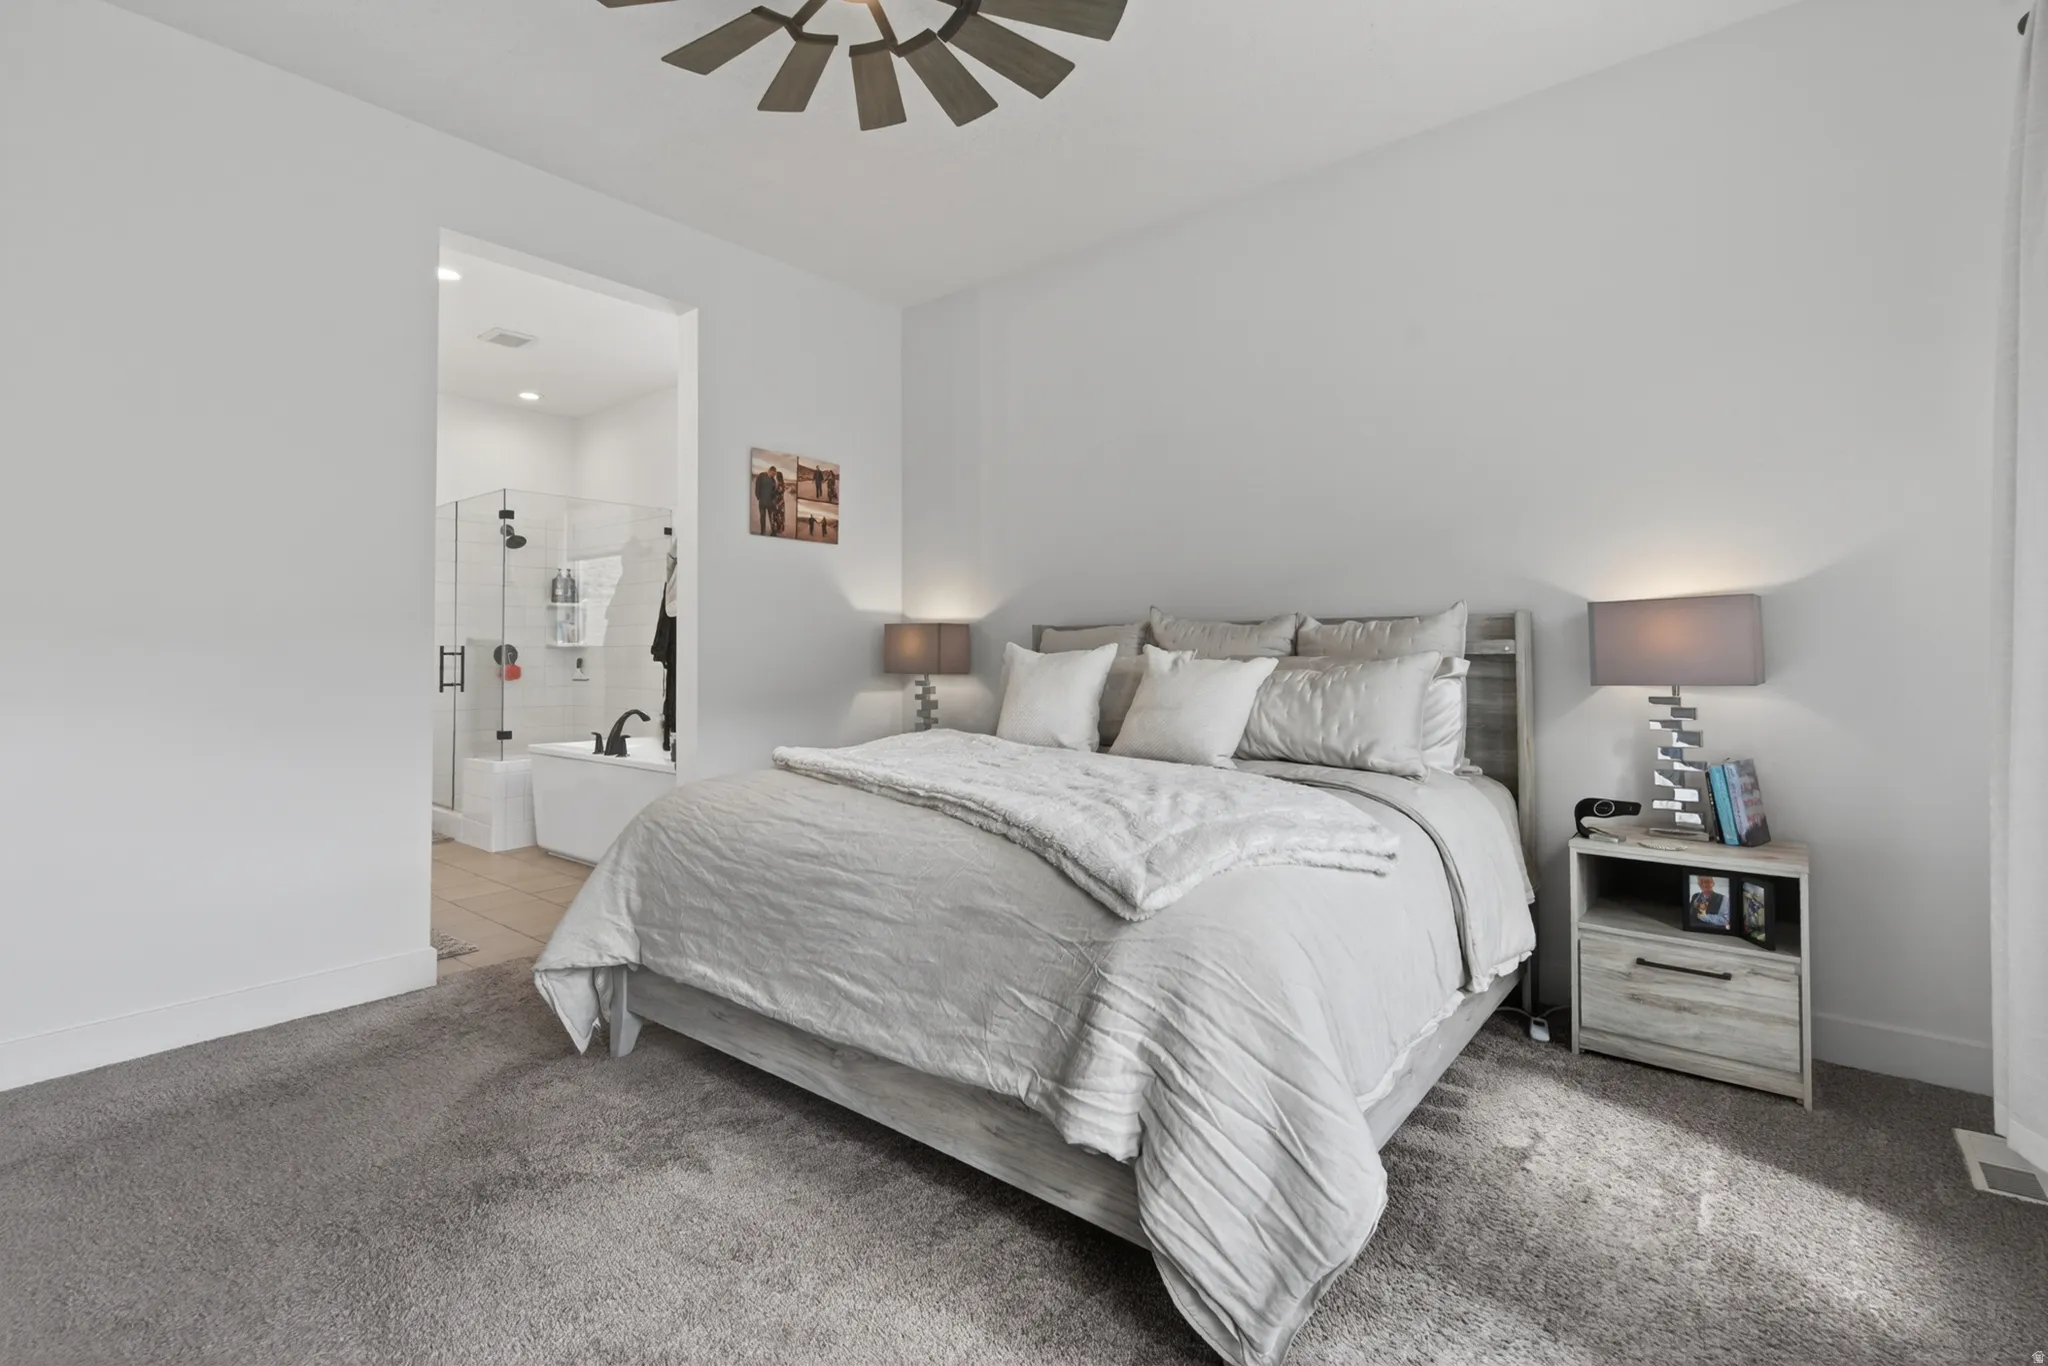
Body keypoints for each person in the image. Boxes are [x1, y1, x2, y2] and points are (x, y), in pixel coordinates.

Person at [752, 465, 779, 535]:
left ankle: (773, 531)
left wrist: (774, 497)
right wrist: (758, 496)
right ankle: (762, 531)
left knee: (771, 517)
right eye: (773, 474)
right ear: (770, 471)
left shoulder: (773, 480)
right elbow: (757, 486)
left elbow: (774, 491)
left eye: (774, 474)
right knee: (762, 517)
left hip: (770, 502)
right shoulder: (761, 475)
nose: (773, 475)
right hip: (762, 502)